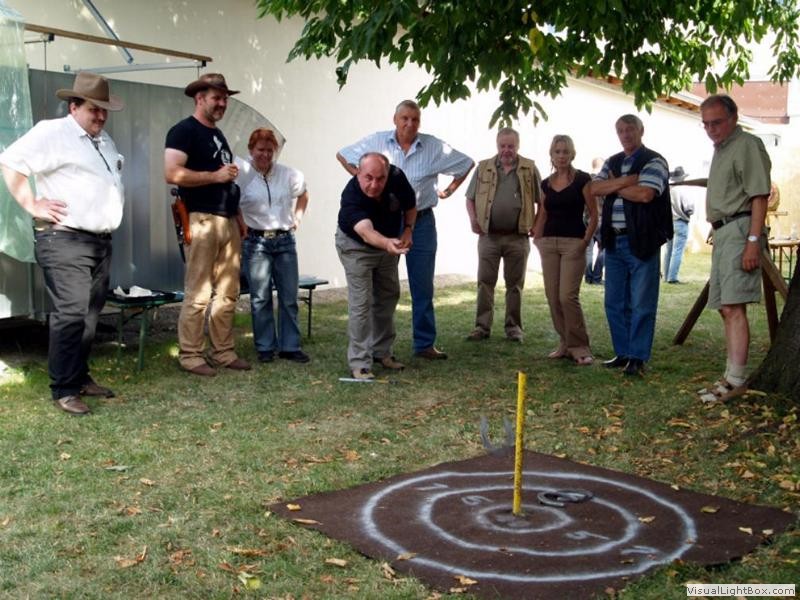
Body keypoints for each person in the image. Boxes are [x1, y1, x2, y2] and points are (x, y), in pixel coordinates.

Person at [0, 72, 125, 415]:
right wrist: (32, 204)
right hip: (64, 238)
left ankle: (79, 377)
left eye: (104, 110)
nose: (101, 115)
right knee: (71, 314)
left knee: (90, 315)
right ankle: (64, 389)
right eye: (93, 109)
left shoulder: (103, 140)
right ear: (73, 107)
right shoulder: (53, 132)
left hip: (99, 241)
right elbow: (10, 162)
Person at [336, 100, 474, 360]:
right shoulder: (377, 141)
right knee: (381, 290)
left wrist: (448, 191)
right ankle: (372, 349)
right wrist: (363, 179)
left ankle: (424, 344)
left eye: (415, 119)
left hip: (419, 221)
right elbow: (343, 154)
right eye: (405, 118)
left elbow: (466, 163)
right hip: (383, 222)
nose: (410, 123)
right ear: (395, 119)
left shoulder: (434, 147)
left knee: (422, 285)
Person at [164, 73, 251, 376]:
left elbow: (226, 181)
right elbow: (172, 173)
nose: (222, 103)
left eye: (225, 98)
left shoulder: (218, 134)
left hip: (227, 219)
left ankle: (223, 352)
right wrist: (216, 176)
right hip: (201, 218)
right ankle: (191, 355)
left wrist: (238, 216)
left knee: (228, 291)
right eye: (217, 98)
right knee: (199, 292)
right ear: (199, 98)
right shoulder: (183, 131)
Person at [697, 94, 771, 402]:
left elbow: (759, 196)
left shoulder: (747, 145)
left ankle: (737, 379)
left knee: (733, 306)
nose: (711, 129)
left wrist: (752, 242)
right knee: (725, 306)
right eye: (705, 124)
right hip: (724, 232)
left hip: (741, 230)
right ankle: (730, 375)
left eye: (716, 122)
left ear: (733, 118)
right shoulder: (722, 148)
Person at [589, 115, 672, 376]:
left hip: (642, 240)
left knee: (641, 303)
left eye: (630, 129)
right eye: (621, 131)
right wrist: (627, 182)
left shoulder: (654, 161)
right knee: (614, 302)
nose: (625, 134)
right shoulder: (612, 161)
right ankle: (622, 352)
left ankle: (637, 357)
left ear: (641, 131)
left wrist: (612, 186)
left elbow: (646, 194)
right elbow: (594, 189)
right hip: (613, 241)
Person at [335, 153, 417, 380]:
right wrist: (387, 244)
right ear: (357, 173)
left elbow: (410, 205)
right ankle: (360, 363)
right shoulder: (351, 196)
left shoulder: (397, 177)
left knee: (388, 295)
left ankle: (382, 352)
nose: (374, 185)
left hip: (388, 242)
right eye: (368, 178)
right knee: (361, 303)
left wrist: (408, 230)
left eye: (380, 179)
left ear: (387, 174)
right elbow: (366, 232)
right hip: (356, 247)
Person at [236, 128, 310, 364]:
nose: (265, 155)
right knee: (260, 297)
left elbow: (304, 194)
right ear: (251, 149)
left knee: (289, 295)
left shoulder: (288, 174)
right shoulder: (241, 174)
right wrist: (241, 224)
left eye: (270, 150)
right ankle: (265, 347)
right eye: (260, 150)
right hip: (255, 242)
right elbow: (232, 202)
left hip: (285, 240)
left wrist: (297, 217)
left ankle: (290, 346)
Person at [464, 127, 541, 342]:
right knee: (485, 282)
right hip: (488, 236)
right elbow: (470, 198)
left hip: (518, 237)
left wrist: (537, 224)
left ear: (518, 146)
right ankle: (482, 327)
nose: (506, 150)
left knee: (515, 284)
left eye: (511, 146)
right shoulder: (483, 168)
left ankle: (513, 328)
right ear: (497, 145)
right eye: (503, 146)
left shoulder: (529, 168)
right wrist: (473, 220)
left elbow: (543, 201)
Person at [533, 135, 597, 365]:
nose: (561, 156)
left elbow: (594, 214)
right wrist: (537, 239)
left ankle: (580, 346)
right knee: (553, 297)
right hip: (548, 243)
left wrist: (585, 241)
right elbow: (543, 213)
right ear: (551, 154)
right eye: (557, 151)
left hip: (573, 243)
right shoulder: (546, 183)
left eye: (565, 151)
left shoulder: (583, 179)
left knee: (567, 296)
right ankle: (565, 343)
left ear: (572, 154)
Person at [662, 166, 694, 284]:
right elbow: (689, 208)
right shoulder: (682, 190)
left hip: (668, 222)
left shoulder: (668, 190)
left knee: (668, 250)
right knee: (678, 250)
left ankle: (666, 275)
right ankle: (672, 277)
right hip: (680, 222)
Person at [584, 157, 605, 284]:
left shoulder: (585, 181)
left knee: (588, 249)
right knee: (604, 248)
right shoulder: (602, 182)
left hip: (586, 218)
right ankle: (597, 277)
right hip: (601, 218)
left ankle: (588, 277)